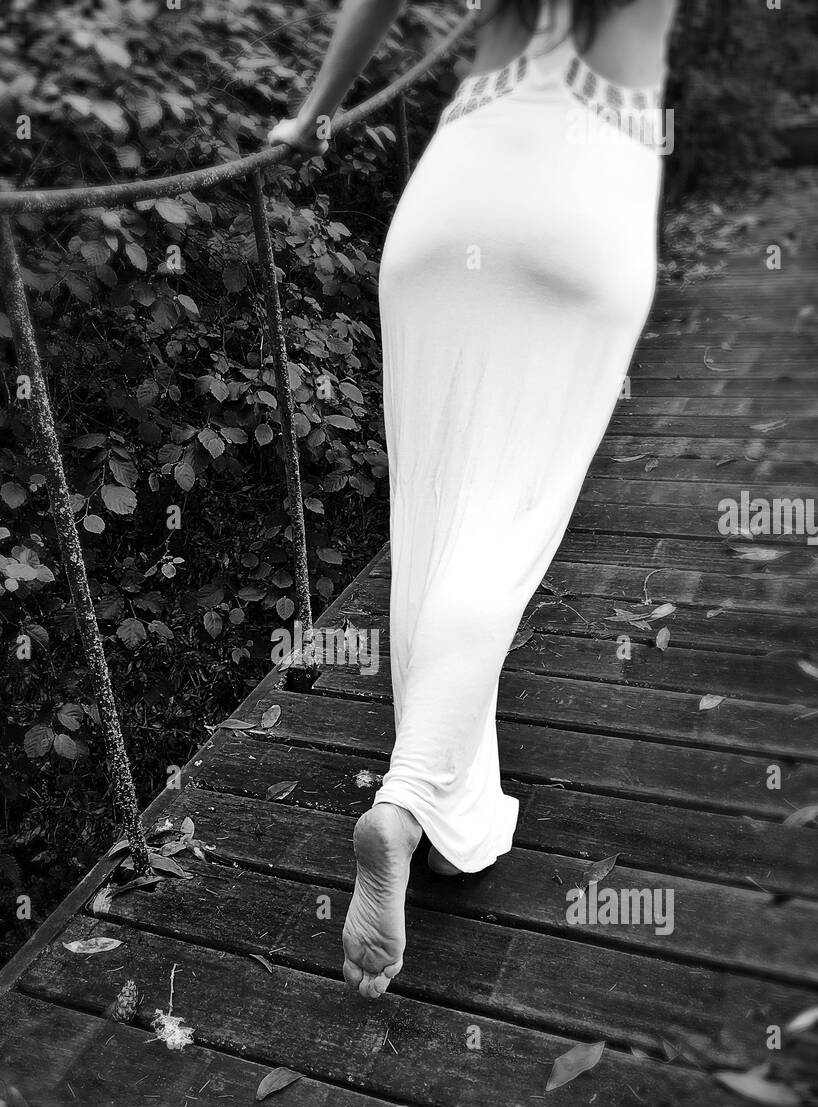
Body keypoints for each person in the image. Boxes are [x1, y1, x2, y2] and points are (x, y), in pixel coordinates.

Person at [269, 0, 678, 999]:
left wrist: (315, 111)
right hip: (586, 192)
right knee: (502, 531)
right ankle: (407, 805)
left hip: (453, 194)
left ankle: (446, 811)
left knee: (435, 517)